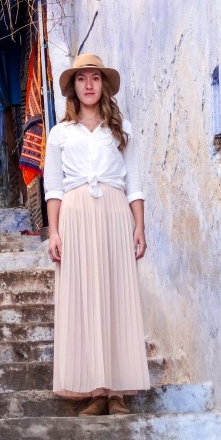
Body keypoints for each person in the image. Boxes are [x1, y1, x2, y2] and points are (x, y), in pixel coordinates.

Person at [44, 53, 150, 416]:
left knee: (116, 295)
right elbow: (53, 186)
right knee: (84, 298)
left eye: (95, 78)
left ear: (103, 85)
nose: (88, 85)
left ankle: (118, 391)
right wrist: (53, 232)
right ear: (73, 87)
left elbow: (134, 181)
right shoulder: (59, 134)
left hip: (115, 214)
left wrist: (139, 225)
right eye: (81, 79)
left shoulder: (122, 129)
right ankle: (95, 390)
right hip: (74, 216)